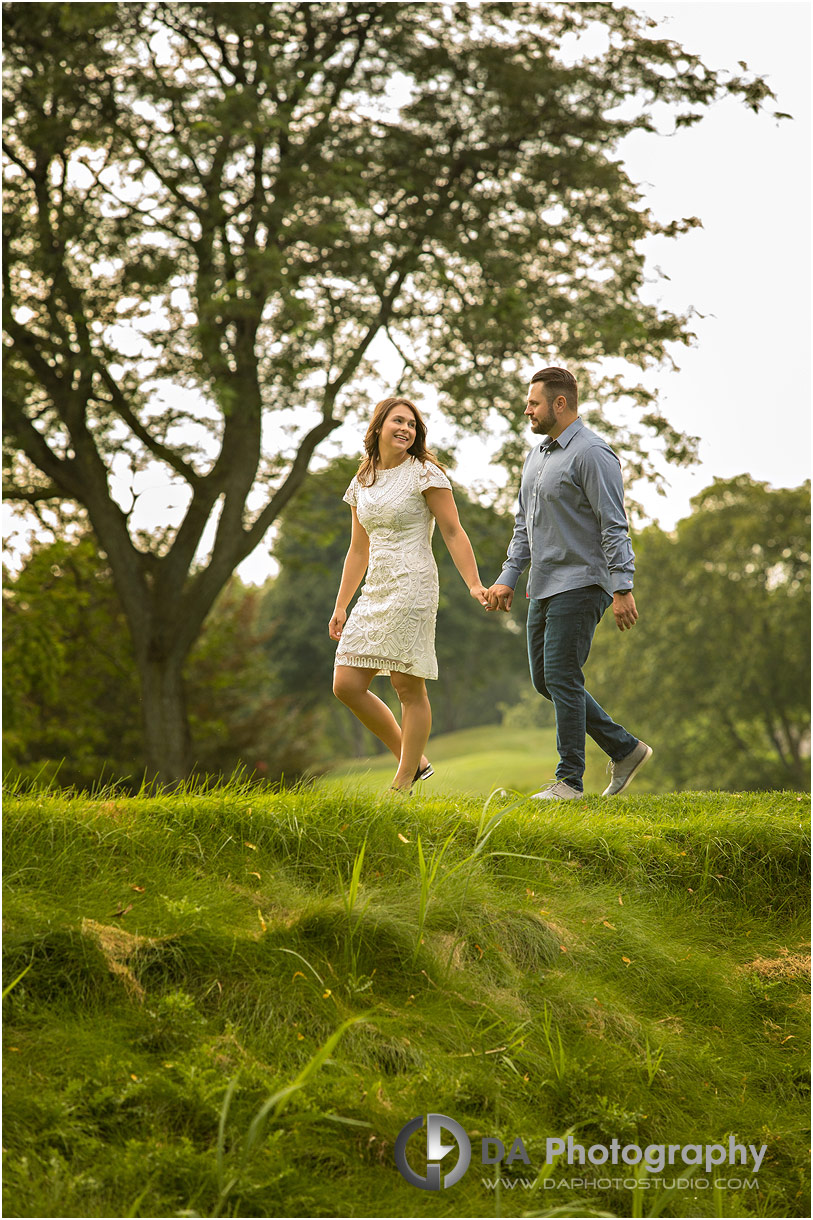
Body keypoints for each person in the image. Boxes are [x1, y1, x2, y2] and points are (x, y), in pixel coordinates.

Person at [485, 367, 652, 800]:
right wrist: (507, 577)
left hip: (581, 583)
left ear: (560, 403)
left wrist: (622, 587)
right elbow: (524, 525)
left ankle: (569, 782)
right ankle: (624, 748)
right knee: (547, 680)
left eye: (533, 403)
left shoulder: (593, 453)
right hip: (542, 584)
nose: (527, 410)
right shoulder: (537, 456)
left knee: (561, 673)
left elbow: (614, 525)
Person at [330, 396, 489, 791]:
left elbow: (453, 530)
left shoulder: (425, 474)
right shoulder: (361, 481)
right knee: (346, 684)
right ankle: (413, 759)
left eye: (413, 425)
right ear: (379, 426)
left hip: (413, 583)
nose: (406, 429)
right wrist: (341, 605)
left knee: (406, 685)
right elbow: (358, 549)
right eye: (398, 421)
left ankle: (402, 784)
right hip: (375, 589)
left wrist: (473, 583)